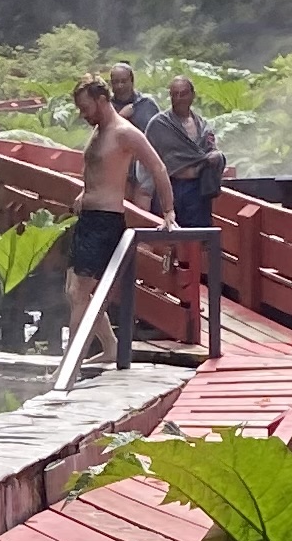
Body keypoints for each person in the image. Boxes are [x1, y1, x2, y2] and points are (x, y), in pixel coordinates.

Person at [66, 72, 174, 369]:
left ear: (102, 101)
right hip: (88, 217)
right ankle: (110, 347)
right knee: (73, 292)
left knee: (81, 293)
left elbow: (158, 167)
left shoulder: (124, 132)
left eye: (86, 108)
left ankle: (69, 367)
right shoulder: (99, 131)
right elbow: (98, 173)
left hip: (105, 221)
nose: (82, 114)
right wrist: (82, 193)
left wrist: (168, 212)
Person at [143, 72, 226, 357]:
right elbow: (154, 159)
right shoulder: (160, 125)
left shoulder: (201, 125)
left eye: (183, 94)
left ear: (192, 95)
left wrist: (213, 158)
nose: (178, 99)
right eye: (173, 94)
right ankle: (174, 295)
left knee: (199, 242)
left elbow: (211, 150)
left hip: (198, 191)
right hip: (174, 188)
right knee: (175, 243)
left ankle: (195, 295)